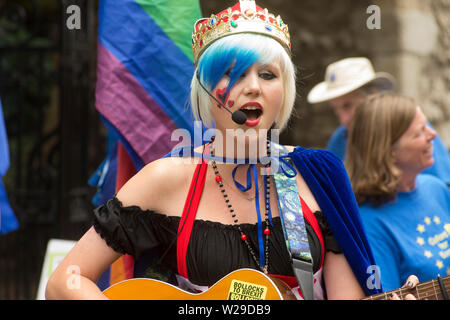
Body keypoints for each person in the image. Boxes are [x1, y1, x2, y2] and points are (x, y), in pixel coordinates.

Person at [46, 1, 416, 300]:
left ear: (283, 91)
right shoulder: (165, 178)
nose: (253, 87)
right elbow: (65, 280)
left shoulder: (318, 174)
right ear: (206, 90)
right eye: (234, 74)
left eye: (268, 75)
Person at [345, 93, 450, 292]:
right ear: (389, 150)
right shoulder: (369, 223)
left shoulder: (435, 188)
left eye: (427, 125)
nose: (433, 135)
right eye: (419, 132)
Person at [307, 57, 450, 185]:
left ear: (373, 96)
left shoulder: (415, 129)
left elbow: (442, 188)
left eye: (348, 106)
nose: (343, 120)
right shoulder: (340, 139)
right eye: (336, 110)